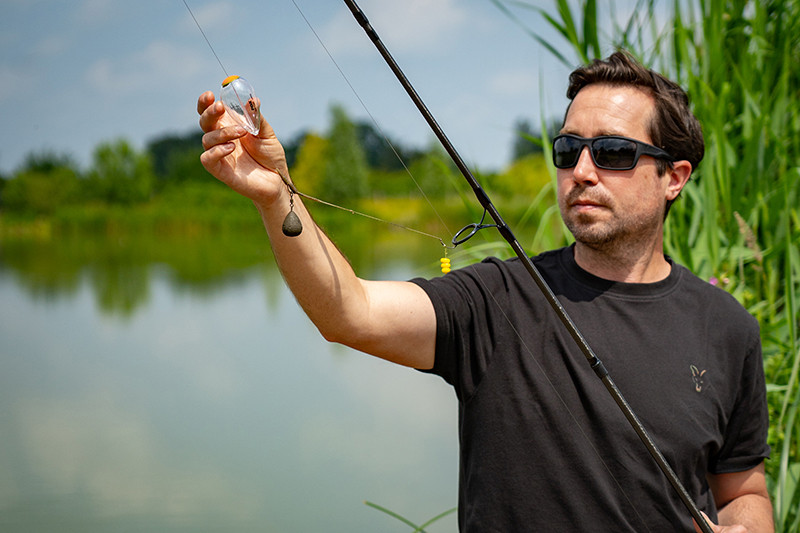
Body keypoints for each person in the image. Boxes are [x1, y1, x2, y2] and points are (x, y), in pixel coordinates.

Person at [196, 51, 773, 532]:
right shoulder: (497, 299)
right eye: (568, 151)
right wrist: (277, 197)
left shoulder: (727, 329)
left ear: (674, 177)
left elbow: (744, 489)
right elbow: (350, 312)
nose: (582, 171)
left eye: (613, 153)